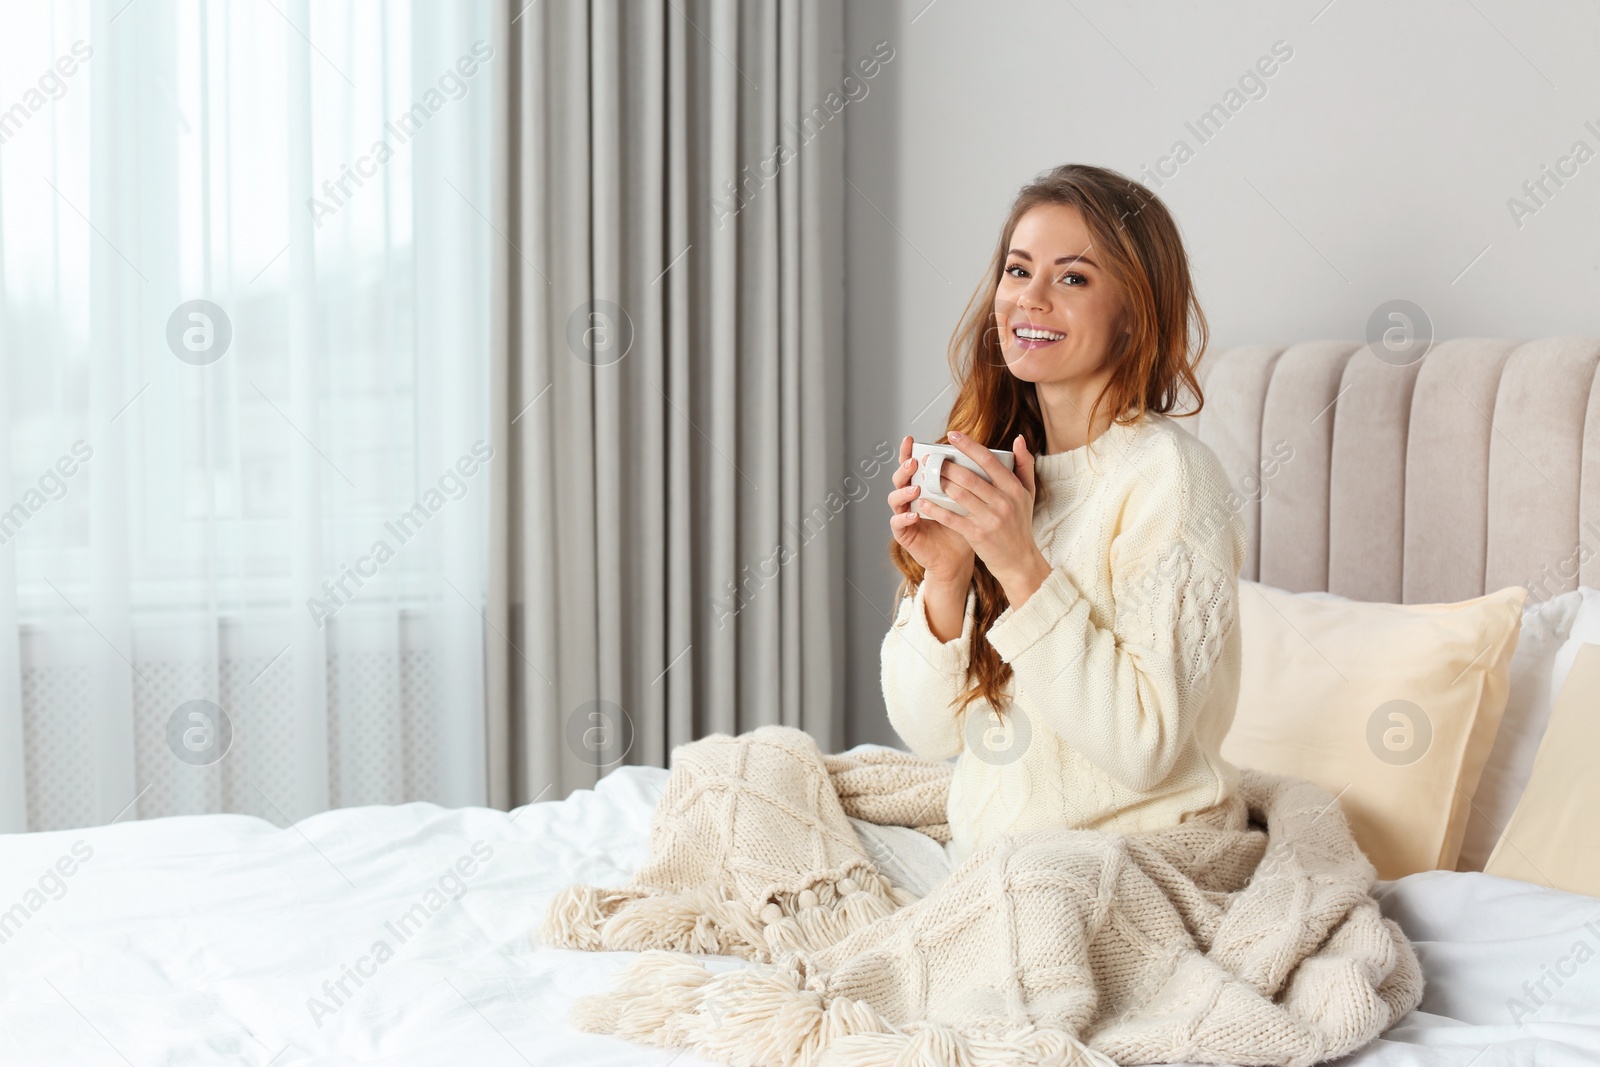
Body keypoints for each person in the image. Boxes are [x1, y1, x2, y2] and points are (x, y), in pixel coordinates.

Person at [881, 162, 1250, 866]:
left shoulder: (1171, 480)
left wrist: (1020, 564)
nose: (1031, 299)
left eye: (1073, 278)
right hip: (993, 861)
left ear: (1134, 313)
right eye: (1018, 271)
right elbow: (928, 734)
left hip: (1131, 861)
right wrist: (948, 575)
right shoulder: (996, 473)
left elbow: (1143, 748)